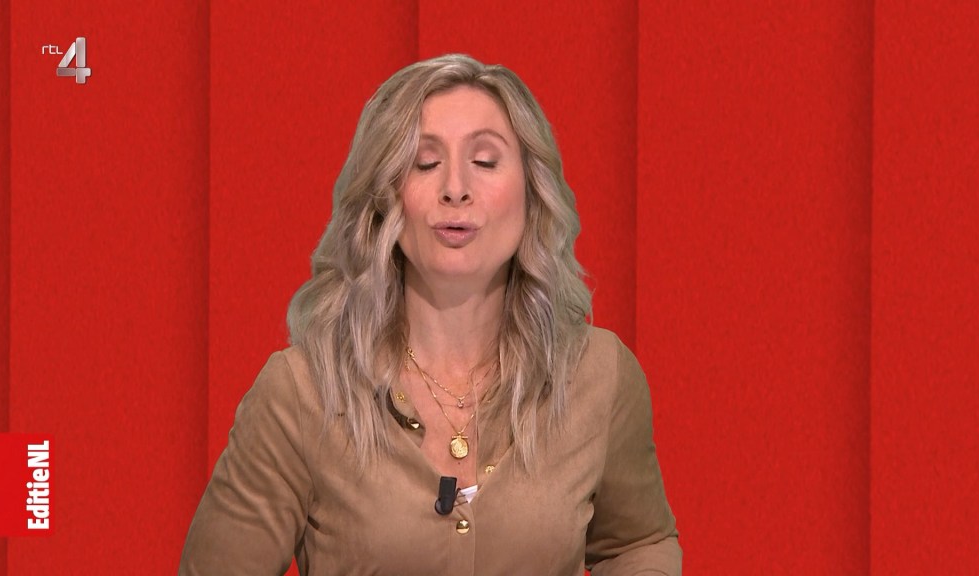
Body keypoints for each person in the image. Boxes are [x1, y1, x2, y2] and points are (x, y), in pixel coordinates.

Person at [180, 53, 681, 575]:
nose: (455, 188)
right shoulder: (302, 393)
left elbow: (638, 543)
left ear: (533, 193)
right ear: (384, 198)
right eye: (425, 163)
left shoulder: (599, 376)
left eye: (484, 161)